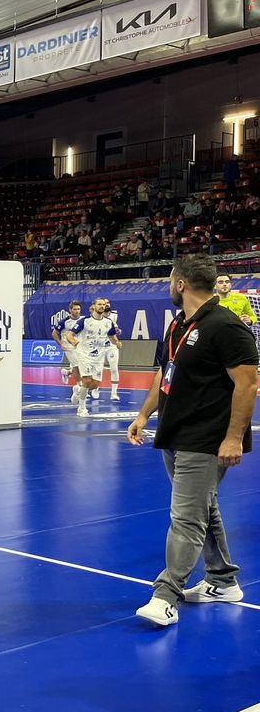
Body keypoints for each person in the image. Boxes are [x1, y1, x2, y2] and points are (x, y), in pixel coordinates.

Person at [127, 255, 258, 627]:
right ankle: (222, 581)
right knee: (204, 508)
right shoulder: (178, 326)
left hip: (207, 440)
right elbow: (163, 374)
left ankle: (165, 595)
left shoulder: (227, 326)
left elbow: (247, 385)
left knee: (185, 517)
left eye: (170, 280)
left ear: (180, 283)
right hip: (174, 433)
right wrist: (143, 414)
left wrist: (233, 439)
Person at [66, 300, 120, 417]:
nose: (102, 306)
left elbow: (111, 336)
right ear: (93, 306)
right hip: (84, 354)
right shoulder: (85, 321)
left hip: (99, 356)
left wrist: (116, 342)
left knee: (95, 384)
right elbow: (69, 335)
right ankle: (82, 408)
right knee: (86, 380)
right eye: (99, 304)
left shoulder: (108, 322)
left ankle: (78, 390)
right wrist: (75, 343)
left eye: (104, 305)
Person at [53, 301, 84, 388]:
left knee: (83, 365)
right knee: (76, 366)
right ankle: (79, 386)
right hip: (68, 346)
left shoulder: (83, 319)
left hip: (80, 345)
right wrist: (61, 344)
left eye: (78, 309)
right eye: (75, 309)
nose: (77, 311)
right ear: (70, 310)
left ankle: (66, 373)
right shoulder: (64, 322)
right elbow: (54, 333)